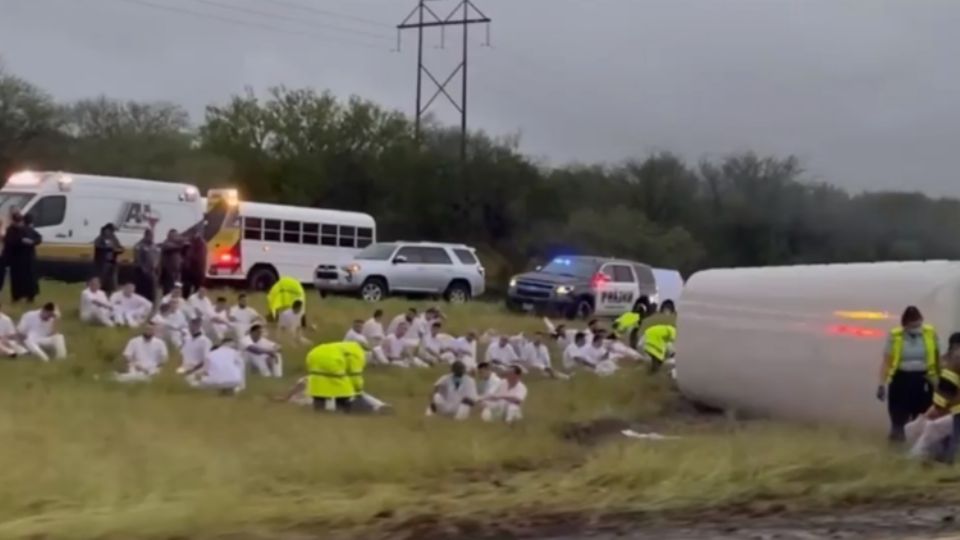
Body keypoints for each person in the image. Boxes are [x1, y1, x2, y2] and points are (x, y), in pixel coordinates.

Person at [878, 306, 939, 442]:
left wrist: (939, 383)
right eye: (912, 326)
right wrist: (881, 384)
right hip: (901, 380)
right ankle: (896, 447)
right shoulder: (895, 336)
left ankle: (919, 448)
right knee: (898, 418)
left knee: (922, 417)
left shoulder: (930, 333)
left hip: (924, 381)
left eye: (918, 325)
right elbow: (887, 362)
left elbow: (938, 358)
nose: (916, 329)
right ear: (905, 325)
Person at [304, 341, 354, 412]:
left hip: (317, 381)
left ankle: (319, 413)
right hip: (339, 382)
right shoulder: (347, 352)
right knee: (342, 396)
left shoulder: (317, 351)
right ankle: (341, 411)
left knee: (319, 399)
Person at [93, 224, 123, 295]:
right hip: (102, 264)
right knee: (101, 281)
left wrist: (118, 250)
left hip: (112, 263)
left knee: (112, 282)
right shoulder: (100, 238)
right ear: (106, 230)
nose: (112, 232)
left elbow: (120, 247)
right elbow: (97, 246)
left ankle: (110, 295)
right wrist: (108, 249)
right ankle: (98, 293)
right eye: (111, 230)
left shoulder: (113, 238)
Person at [133, 229, 160, 304]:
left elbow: (157, 256)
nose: (151, 238)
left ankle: (150, 303)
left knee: (151, 289)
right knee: (141, 290)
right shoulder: (139, 245)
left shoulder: (154, 245)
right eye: (150, 236)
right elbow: (138, 259)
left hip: (152, 272)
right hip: (141, 272)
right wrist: (144, 270)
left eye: (152, 236)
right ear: (145, 236)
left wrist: (156, 264)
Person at [20, 214, 41, 303]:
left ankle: (23, 294)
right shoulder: (32, 231)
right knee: (32, 276)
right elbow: (39, 238)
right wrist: (33, 242)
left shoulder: (21, 230)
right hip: (31, 257)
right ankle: (31, 295)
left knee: (23, 276)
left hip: (22, 256)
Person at [182, 231, 207, 299]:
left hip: (197, 270)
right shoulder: (189, 242)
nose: (192, 235)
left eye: (194, 233)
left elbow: (200, 257)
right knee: (186, 289)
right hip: (188, 270)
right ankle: (185, 302)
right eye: (191, 234)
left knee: (196, 290)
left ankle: (194, 304)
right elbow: (183, 253)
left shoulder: (201, 243)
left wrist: (189, 257)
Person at [159, 229, 185, 296]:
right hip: (168, 274)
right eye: (174, 235)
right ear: (169, 236)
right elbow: (173, 248)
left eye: (176, 235)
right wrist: (181, 243)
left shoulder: (177, 245)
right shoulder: (166, 243)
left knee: (176, 293)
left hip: (177, 274)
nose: (175, 237)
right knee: (168, 294)